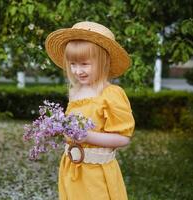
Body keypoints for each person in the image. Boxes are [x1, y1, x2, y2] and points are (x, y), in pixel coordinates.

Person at [45, 21, 135, 200]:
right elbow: (71, 131)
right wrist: (59, 129)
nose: (78, 71)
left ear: (103, 61)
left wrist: (88, 137)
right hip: (72, 169)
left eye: (84, 64)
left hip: (97, 175)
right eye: (73, 64)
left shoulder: (111, 94)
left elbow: (123, 138)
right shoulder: (75, 91)